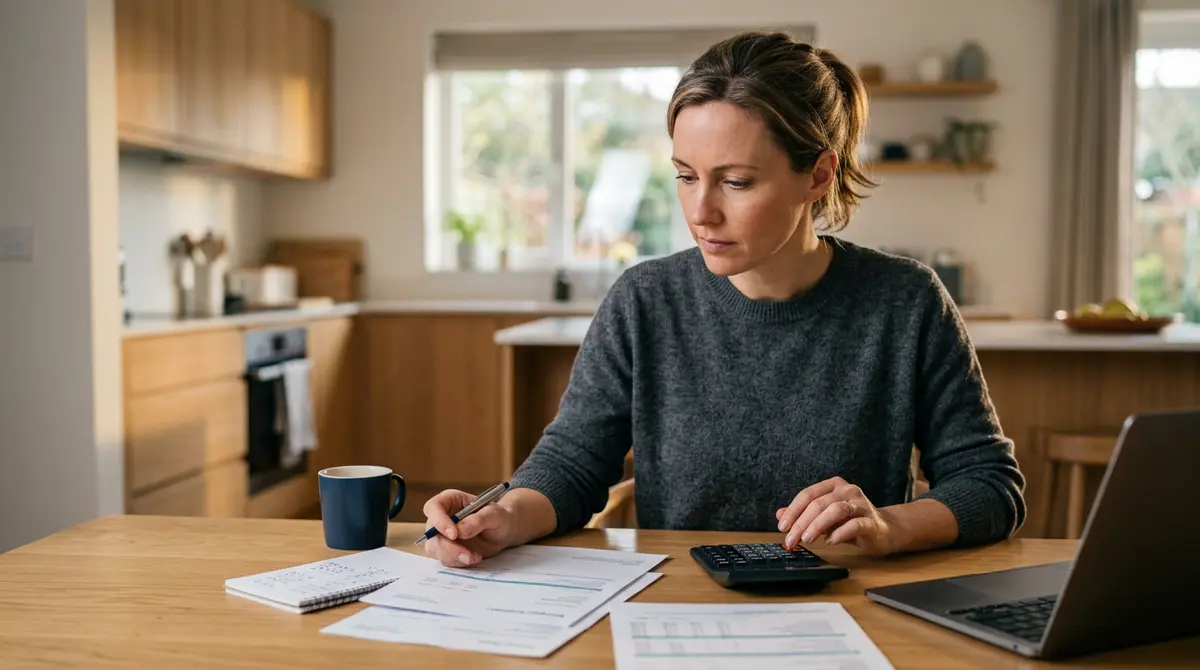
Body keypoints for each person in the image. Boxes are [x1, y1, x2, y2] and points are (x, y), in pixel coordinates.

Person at [421, 31, 1026, 567]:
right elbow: (575, 464)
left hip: (850, 611)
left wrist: (890, 524)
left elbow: (990, 484)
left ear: (818, 176)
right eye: (686, 176)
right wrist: (501, 516)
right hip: (679, 609)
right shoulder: (645, 299)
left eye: (736, 182)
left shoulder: (905, 301)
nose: (700, 212)